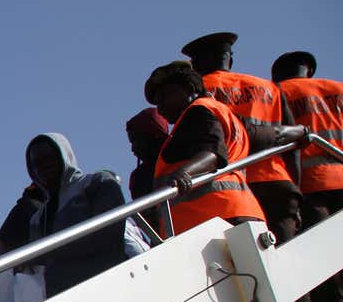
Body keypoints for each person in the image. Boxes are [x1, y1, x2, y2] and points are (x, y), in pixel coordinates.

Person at [183, 32, 305, 242]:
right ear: (229, 58)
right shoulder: (270, 87)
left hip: (233, 188)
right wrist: (297, 188)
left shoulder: (199, 91)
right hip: (277, 183)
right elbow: (294, 146)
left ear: (198, 62)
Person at [145, 61, 267, 234]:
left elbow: (212, 153)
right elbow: (271, 134)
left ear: (188, 88)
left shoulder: (197, 112)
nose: (160, 108)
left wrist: (184, 172)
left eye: (164, 97)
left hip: (215, 221)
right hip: (239, 212)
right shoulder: (225, 113)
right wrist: (302, 131)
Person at [21, 133, 130, 297]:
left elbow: (110, 232)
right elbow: (39, 264)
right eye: (37, 163)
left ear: (64, 156)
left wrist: (54, 252)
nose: (44, 166)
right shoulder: (37, 218)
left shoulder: (98, 182)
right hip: (63, 299)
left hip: (110, 283)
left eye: (49, 158)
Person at [273, 50, 343, 227]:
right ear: (309, 70)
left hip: (309, 183)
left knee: (321, 243)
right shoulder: (339, 89)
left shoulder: (277, 91)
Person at [125, 108, 171, 235]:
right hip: (164, 238)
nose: (133, 149)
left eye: (136, 140)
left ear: (155, 135)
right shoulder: (139, 178)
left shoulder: (185, 158)